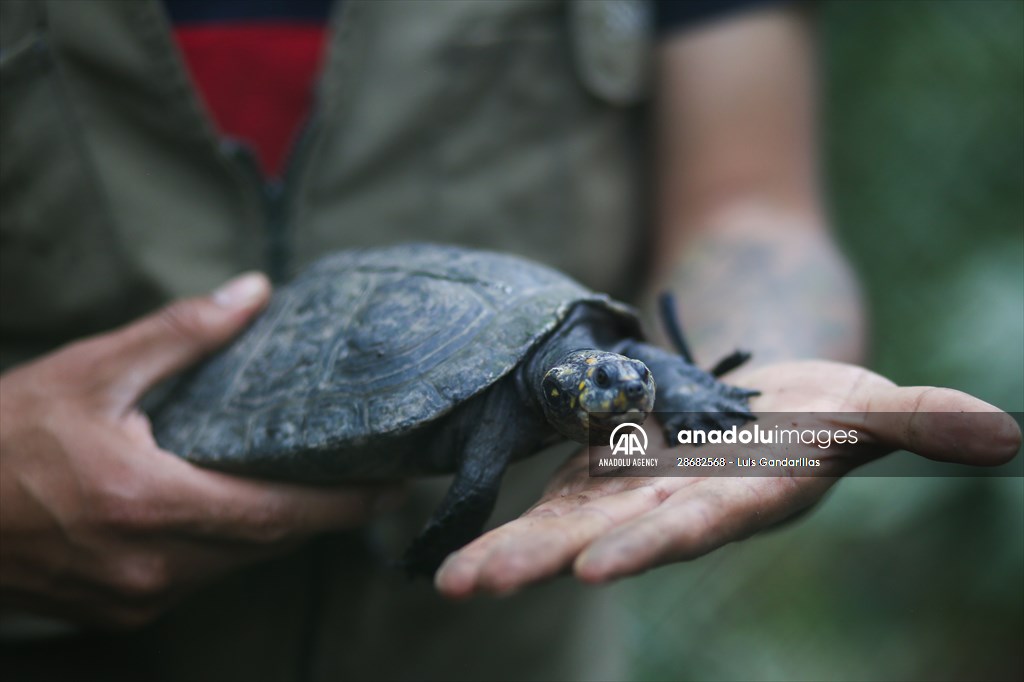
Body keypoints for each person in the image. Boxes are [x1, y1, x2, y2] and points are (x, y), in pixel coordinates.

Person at [0, 0, 1018, 679]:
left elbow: (748, 206)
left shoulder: (592, 368)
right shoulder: (525, 401)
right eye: (593, 392)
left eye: (605, 389)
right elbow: (486, 463)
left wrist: (718, 397)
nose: (606, 398)